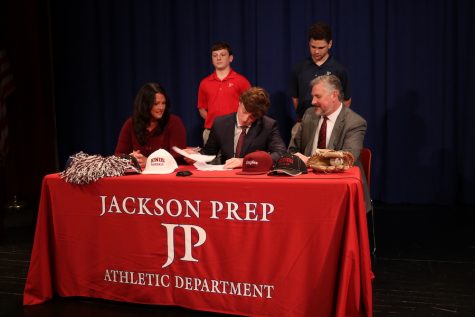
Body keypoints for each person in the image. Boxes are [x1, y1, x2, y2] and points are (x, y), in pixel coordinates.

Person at [288, 74, 371, 211]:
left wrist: (309, 161)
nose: (313, 101)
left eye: (318, 96)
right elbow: (293, 150)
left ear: (334, 95)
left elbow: (346, 159)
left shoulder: (355, 122)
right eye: (313, 96)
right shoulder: (309, 114)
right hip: (307, 184)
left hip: (340, 190)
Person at [188, 87, 286, 169]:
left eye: (253, 117)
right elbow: (208, 152)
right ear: (239, 103)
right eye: (244, 112)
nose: (245, 119)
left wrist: (245, 161)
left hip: (253, 177)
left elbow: (280, 153)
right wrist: (195, 156)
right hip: (227, 177)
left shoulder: (268, 125)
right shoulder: (220, 123)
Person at [289, 22, 352, 123]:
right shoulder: (299, 68)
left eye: (321, 48)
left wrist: (337, 122)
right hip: (304, 122)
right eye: (313, 47)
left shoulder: (339, 70)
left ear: (330, 44)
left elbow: (346, 100)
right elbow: (295, 98)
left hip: (330, 124)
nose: (316, 51)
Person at [115, 82, 187, 168]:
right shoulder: (130, 123)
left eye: (163, 103)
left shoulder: (174, 122)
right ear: (145, 105)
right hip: (138, 177)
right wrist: (130, 158)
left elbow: (177, 158)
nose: (161, 108)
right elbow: (117, 156)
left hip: (166, 176)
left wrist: (149, 162)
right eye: (156, 104)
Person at [197, 41, 251, 145]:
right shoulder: (204, 83)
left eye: (222, 55)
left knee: (232, 161)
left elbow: (250, 106)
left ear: (230, 58)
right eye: (215, 55)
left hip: (235, 131)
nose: (218, 58)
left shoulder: (241, 81)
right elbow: (202, 108)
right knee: (211, 161)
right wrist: (215, 123)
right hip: (211, 132)